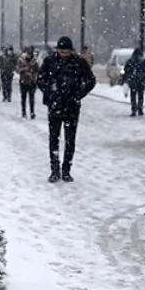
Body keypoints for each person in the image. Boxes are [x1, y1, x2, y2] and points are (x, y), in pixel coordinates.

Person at [37, 36, 96, 183]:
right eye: (61, 52)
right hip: (55, 106)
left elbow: (91, 80)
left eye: (66, 52)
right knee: (54, 138)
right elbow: (40, 79)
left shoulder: (78, 63)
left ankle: (66, 170)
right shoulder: (50, 62)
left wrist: (79, 95)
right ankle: (55, 170)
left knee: (70, 140)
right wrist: (50, 93)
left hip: (71, 106)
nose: (64, 54)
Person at [123, 47, 145, 117]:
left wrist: (127, 77)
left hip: (133, 80)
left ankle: (133, 109)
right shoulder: (144, 61)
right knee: (140, 95)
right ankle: (140, 109)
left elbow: (126, 70)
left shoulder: (130, 61)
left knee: (133, 95)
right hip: (141, 80)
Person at [17, 47, 39, 119]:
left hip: (32, 82)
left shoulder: (35, 62)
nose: (29, 55)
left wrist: (34, 76)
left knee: (32, 98)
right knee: (23, 98)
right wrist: (24, 70)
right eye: (28, 53)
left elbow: (37, 71)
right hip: (23, 81)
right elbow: (18, 70)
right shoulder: (22, 61)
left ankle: (32, 112)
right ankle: (23, 112)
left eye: (30, 53)